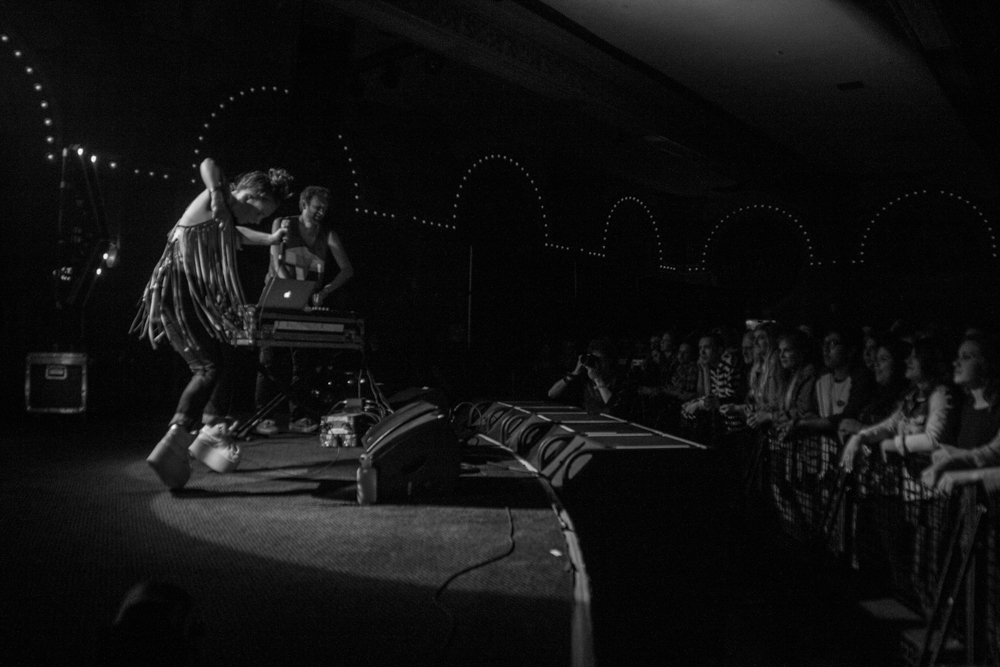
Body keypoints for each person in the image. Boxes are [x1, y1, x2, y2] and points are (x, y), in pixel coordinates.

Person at [134, 158, 293, 489]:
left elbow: (238, 234)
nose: (261, 220)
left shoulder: (222, 221)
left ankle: (210, 428)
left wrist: (271, 239)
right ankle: (177, 439)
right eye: (262, 213)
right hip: (177, 292)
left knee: (223, 358)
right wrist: (217, 195)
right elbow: (209, 163)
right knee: (207, 368)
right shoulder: (215, 200)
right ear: (249, 195)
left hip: (191, 297)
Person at [253, 186, 354, 435]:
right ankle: (263, 417)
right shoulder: (283, 223)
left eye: (325, 208)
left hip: (306, 304)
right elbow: (276, 263)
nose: (321, 212)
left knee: (303, 362)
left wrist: (326, 290)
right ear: (304, 204)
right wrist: (299, 290)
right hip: (277, 299)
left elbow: (347, 270)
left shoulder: (327, 234)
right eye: (317, 206)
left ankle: (298, 416)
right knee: (270, 359)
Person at [839, 336, 957, 474]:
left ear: (929, 361)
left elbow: (933, 440)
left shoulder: (940, 394)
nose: (908, 361)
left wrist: (894, 444)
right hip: (913, 482)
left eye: (915, 357)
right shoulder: (912, 395)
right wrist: (860, 436)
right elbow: (890, 425)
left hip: (935, 481)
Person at [921, 332, 1000, 492]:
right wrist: (952, 453)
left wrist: (955, 459)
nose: (956, 363)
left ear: (986, 364)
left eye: (966, 357)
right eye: (958, 356)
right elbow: (979, 453)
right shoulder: (966, 407)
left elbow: (994, 453)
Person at [548, 337, 622, 415]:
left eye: (599, 360)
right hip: (588, 421)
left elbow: (616, 408)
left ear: (608, 361)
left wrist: (597, 379)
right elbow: (551, 394)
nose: (596, 363)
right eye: (594, 359)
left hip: (610, 422)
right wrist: (573, 374)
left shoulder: (619, 378)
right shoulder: (585, 377)